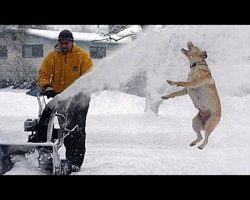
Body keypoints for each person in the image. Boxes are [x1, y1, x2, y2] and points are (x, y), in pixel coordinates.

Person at [30, 29, 93, 173]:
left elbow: (89, 77)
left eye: (66, 43)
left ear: (72, 42)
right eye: (61, 43)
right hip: (60, 97)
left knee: (76, 129)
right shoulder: (53, 56)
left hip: (80, 98)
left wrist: (79, 90)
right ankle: (56, 156)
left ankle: (75, 162)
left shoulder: (82, 56)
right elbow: (43, 74)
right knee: (63, 128)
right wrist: (47, 86)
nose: (64, 46)